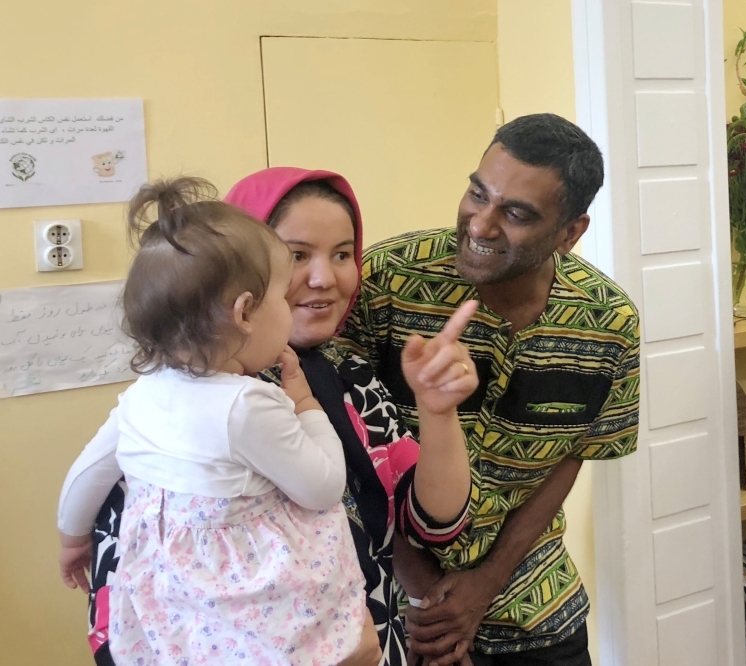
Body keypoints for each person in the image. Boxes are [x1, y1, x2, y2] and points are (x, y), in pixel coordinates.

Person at [74, 171, 478, 666]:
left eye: (343, 254)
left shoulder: (351, 376)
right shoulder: (190, 409)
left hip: (368, 639)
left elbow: (433, 523)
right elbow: (132, 601)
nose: (324, 278)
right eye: (297, 256)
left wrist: (438, 411)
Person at [339, 113, 640, 666]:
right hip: (388, 612)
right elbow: (341, 445)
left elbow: (574, 454)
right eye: (477, 193)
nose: (480, 224)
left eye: (516, 213)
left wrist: (485, 583)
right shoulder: (386, 281)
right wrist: (422, 591)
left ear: (570, 233)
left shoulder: (608, 322)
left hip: (536, 607)